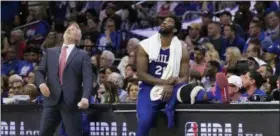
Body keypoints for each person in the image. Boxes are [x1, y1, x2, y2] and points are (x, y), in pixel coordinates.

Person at [35, 22, 94, 136]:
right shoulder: (50, 52)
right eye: (68, 28)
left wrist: (85, 98)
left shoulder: (83, 55)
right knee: (43, 133)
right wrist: (42, 84)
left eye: (73, 29)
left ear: (78, 38)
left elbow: (87, 79)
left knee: (74, 134)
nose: (69, 30)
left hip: (71, 102)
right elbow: (39, 71)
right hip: (51, 99)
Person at [136, 15, 190, 136]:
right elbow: (141, 74)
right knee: (145, 120)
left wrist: (171, 84)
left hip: (173, 87)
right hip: (149, 86)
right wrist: (165, 83)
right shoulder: (145, 45)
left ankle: (169, 109)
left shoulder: (182, 50)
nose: (164, 22)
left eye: (169, 21)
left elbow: (185, 78)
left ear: (175, 29)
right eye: (163, 21)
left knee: (190, 91)